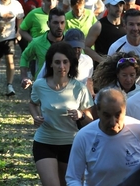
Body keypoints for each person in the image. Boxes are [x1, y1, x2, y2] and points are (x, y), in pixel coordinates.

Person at [29, 42, 94, 186]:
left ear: (71, 64)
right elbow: (33, 103)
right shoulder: (39, 85)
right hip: (44, 142)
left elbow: (91, 121)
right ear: (50, 64)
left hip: (71, 144)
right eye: (57, 62)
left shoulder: (80, 89)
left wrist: (81, 115)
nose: (61, 66)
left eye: (65, 62)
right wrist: (35, 117)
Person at [65, 87, 140, 186]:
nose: (112, 122)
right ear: (98, 111)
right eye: (107, 115)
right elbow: (73, 178)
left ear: (125, 109)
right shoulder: (84, 136)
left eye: (117, 115)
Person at [37, 28, 94, 96]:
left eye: (79, 47)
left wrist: (91, 94)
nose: (76, 50)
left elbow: (88, 80)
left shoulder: (88, 61)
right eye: (73, 47)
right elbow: (40, 82)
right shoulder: (55, 61)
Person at [20, 9, 65, 89]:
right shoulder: (37, 42)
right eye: (55, 23)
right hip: (42, 86)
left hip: (64, 87)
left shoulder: (70, 43)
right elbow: (25, 56)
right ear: (48, 24)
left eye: (62, 23)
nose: (59, 27)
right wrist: (24, 77)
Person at [85, 0, 127, 64]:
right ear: (107, 6)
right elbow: (86, 47)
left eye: (121, 5)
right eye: (115, 6)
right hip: (104, 70)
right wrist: (103, 61)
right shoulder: (99, 26)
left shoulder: (126, 25)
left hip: (122, 67)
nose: (119, 8)